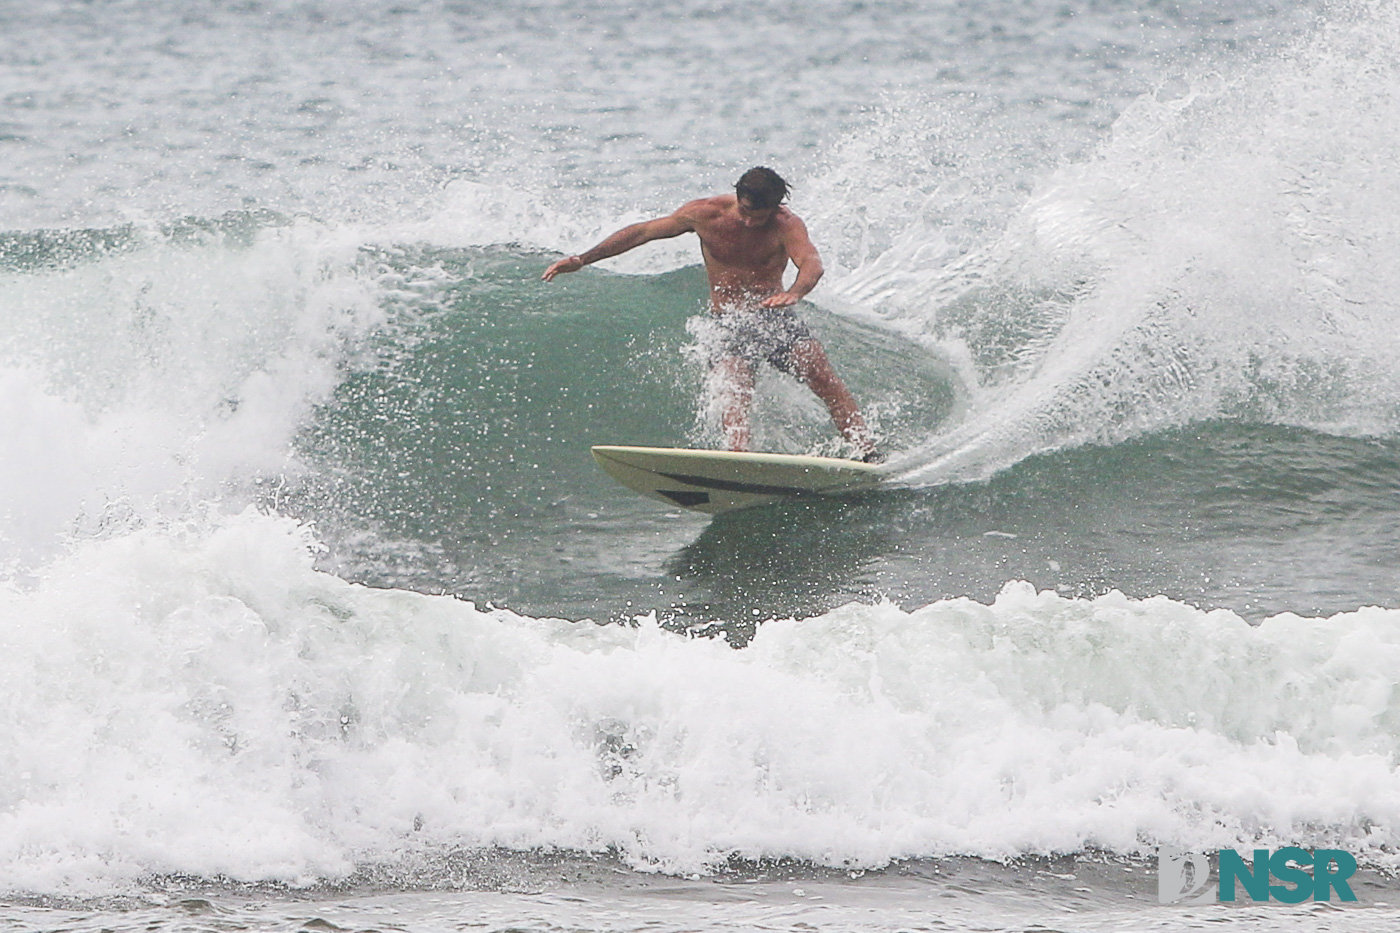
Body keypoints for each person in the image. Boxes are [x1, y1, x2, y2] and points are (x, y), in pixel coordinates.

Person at [542, 166, 879, 461]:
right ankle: (736, 459)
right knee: (734, 386)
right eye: (745, 211)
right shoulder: (704, 214)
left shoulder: (785, 225)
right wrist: (583, 259)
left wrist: (794, 293)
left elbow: (811, 263)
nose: (748, 221)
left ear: (775, 208)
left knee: (821, 375)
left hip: (773, 317)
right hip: (727, 320)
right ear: (737, 196)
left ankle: (866, 451)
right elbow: (642, 232)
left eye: (758, 216)